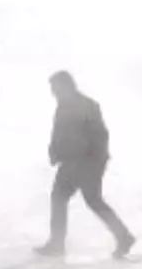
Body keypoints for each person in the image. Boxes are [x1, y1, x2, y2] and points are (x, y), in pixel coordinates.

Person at [37, 71, 135, 259]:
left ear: (66, 86)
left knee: (83, 199)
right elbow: (58, 133)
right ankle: (123, 237)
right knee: (68, 198)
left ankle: (122, 237)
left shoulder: (87, 106)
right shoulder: (63, 106)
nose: (53, 92)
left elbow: (100, 135)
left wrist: (93, 160)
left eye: (55, 88)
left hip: (86, 162)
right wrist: (54, 151)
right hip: (72, 161)